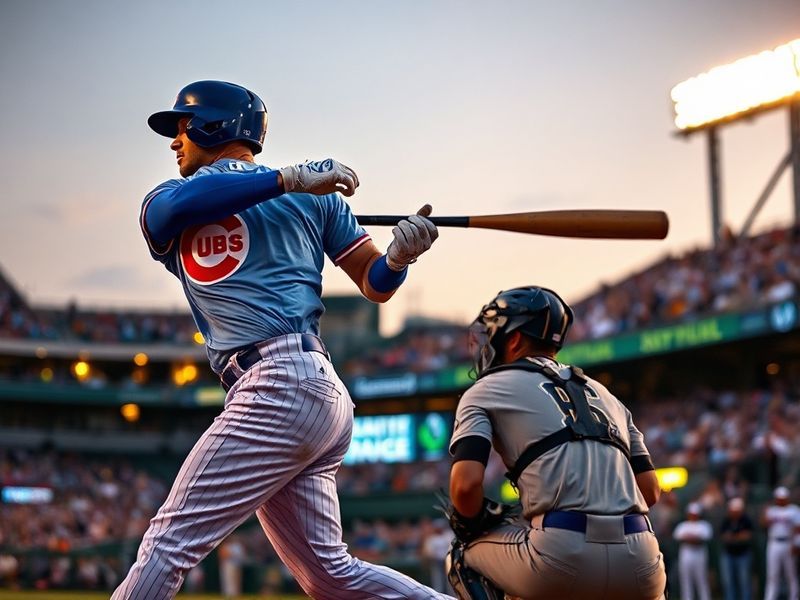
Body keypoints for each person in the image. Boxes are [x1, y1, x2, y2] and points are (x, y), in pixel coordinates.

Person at [112, 80, 453, 600]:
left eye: (184, 127)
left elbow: (374, 282)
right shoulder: (181, 199)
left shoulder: (313, 195)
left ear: (214, 126)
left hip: (278, 382)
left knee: (167, 545)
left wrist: (398, 258)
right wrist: (286, 179)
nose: (175, 141)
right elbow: (174, 211)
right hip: (309, 392)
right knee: (329, 577)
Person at [445, 286, 666, 600]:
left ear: (514, 339)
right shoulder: (607, 396)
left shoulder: (485, 388)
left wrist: (471, 522)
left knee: (462, 554)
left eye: (492, 334)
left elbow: (465, 486)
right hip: (642, 561)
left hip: (561, 556)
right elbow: (650, 491)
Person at [762, 486, 800, 600]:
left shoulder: (794, 510)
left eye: (783, 498)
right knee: (772, 575)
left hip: (788, 543)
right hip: (774, 542)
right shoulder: (771, 510)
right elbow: (763, 524)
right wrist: (765, 513)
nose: (781, 500)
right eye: (779, 498)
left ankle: (794, 597)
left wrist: (796, 544)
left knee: (791, 574)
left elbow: (798, 529)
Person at [673, 502, 713, 600]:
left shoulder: (704, 525)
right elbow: (678, 537)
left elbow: (702, 540)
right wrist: (693, 539)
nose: (693, 516)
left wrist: (689, 538)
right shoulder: (683, 525)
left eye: (695, 514)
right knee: (685, 579)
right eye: (691, 513)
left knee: (701, 579)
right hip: (686, 553)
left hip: (699, 553)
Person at [719, 497, 753, 600]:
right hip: (728, 554)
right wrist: (738, 537)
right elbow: (724, 536)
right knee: (728, 582)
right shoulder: (726, 520)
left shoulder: (745, 520)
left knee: (744, 581)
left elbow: (747, 536)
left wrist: (733, 537)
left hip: (743, 554)